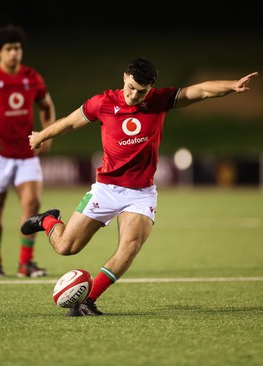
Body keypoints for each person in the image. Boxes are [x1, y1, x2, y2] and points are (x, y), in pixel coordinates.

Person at [21, 58, 258, 315]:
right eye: (131, 87)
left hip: (141, 194)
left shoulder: (159, 101)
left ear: (150, 88)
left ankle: (89, 300)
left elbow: (199, 91)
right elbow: (69, 122)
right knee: (66, 247)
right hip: (106, 188)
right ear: (124, 77)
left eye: (141, 91)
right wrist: (41, 136)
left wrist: (232, 85)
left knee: (130, 246)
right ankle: (48, 220)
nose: (134, 95)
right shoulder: (103, 103)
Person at [0, 24, 56, 277]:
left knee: (32, 204)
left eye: (18, 48)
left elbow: (46, 105)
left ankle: (26, 263)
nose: (14, 53)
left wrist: (48, 132)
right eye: (9, 49)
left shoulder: (32, 77)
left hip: (26, 154)